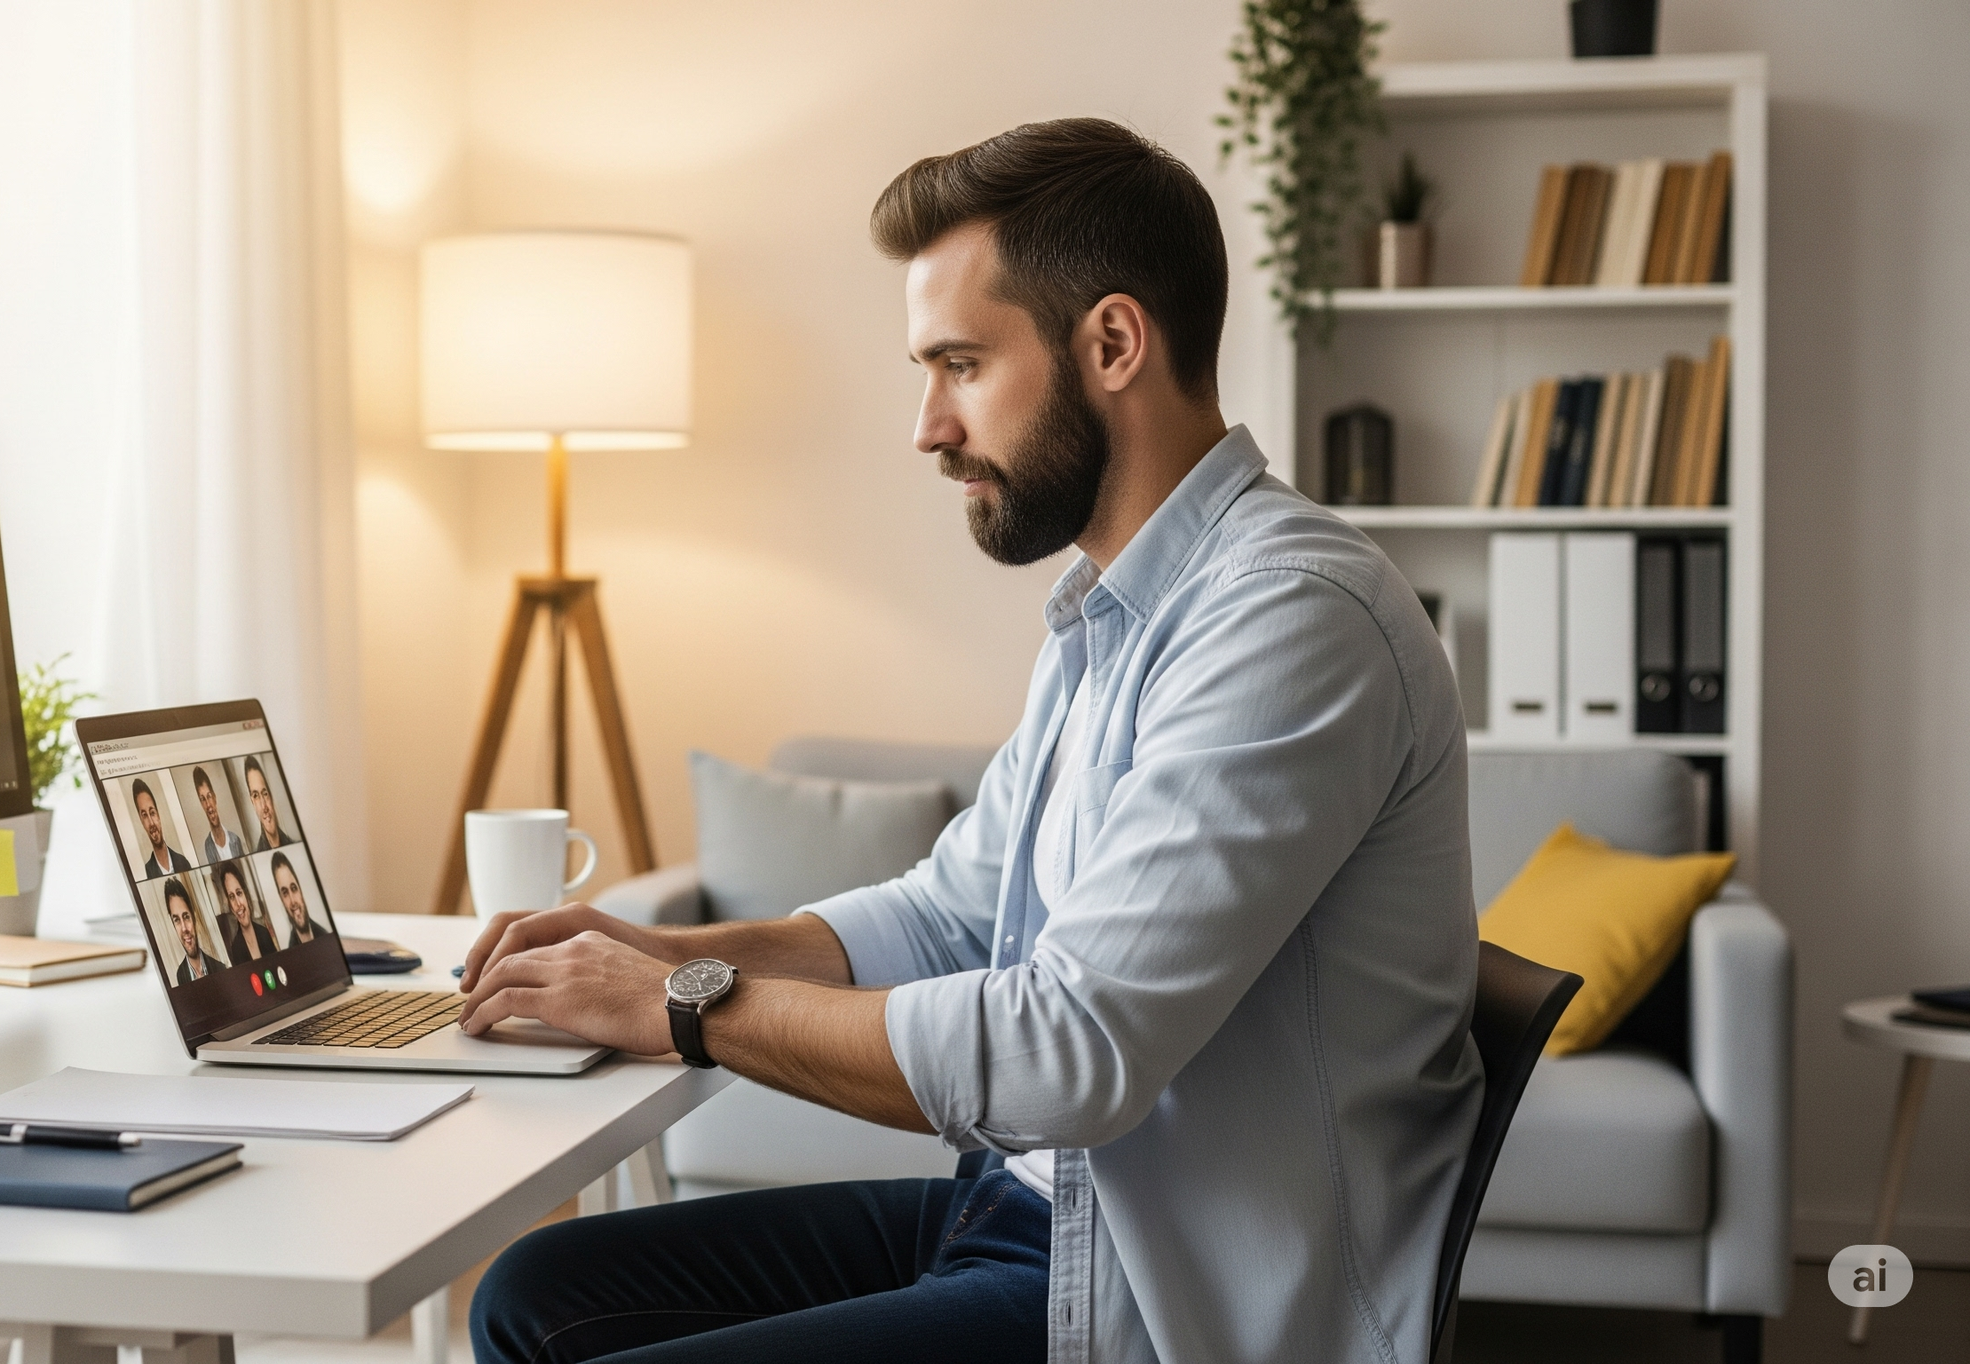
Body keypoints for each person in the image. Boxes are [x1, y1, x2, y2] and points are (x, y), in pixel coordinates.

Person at [456, 119, 1477, 1364]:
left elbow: (1070, 1052)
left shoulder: (1290, 618)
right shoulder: (1109, 611)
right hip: (1032, 1212)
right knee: (533, 1292)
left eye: (960, 364)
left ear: (1111, 342)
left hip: (1156, 1291)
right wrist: (661, 946)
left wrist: (681, 1004)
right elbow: (950, 912)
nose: (928, 426)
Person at [162, 879, 227, 985]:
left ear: (194, 918)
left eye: (186, 917)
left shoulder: (220, 968)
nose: (184, 928)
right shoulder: (180, 975)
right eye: (177, 920)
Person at [214, 862, 277, 963]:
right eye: (231, 897)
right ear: (230, 905)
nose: (238, 903)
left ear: (246, 895)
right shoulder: (235, 949)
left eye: (239, 893)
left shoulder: (264, 933)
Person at [131, 778, 192, 879]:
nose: (151, 823)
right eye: (145, 815)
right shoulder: (147, 872)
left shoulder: (183, 862)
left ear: (158, 815)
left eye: (152, 813)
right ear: (141, 822)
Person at [190, 765, 245, 863]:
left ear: (215, 797)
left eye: (209, 796)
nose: (208, 804)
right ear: (201, 804)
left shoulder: (235, 840)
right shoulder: (208, 846)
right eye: (203, 799)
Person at [270, 851, 320, 943]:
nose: (293, 901)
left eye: (294, 888)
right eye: (285, 893)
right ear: (281, 900)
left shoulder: (324, 933)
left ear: (300, 889)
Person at [243, 755, 292, 849]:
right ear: (252, 802)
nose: (264, 806)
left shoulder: (290, 842)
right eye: (256, 796)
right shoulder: (259, 850)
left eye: (265, 793)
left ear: (270, 796)